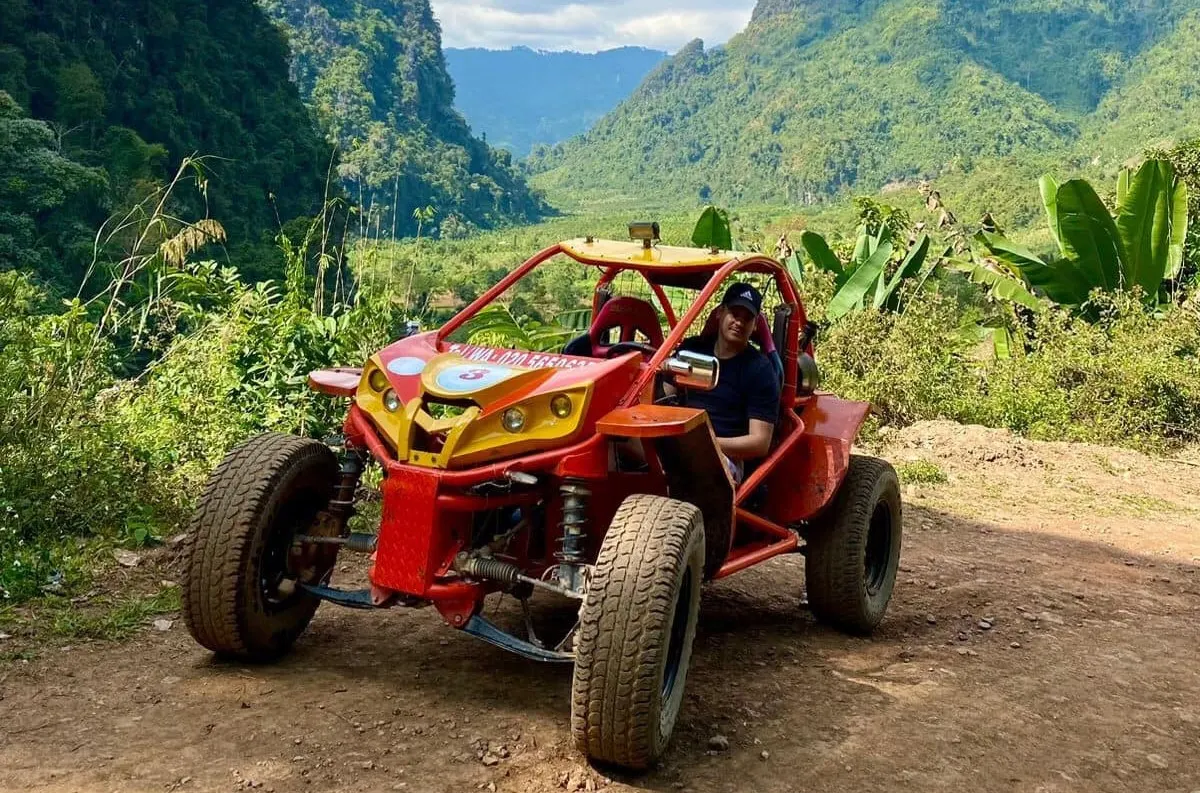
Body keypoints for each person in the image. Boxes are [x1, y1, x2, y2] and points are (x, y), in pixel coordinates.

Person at [678, 282, 780, 482]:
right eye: (735, 314)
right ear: (720, 313)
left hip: (723, 456)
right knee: (616, 440)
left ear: (755, 324)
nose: (739, 323)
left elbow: (759, 442)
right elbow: (662, 395)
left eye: (747, 318)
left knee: (697, 467)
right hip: (676, 438)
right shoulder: (691, 350)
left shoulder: (759, 370)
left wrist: (708, 444)